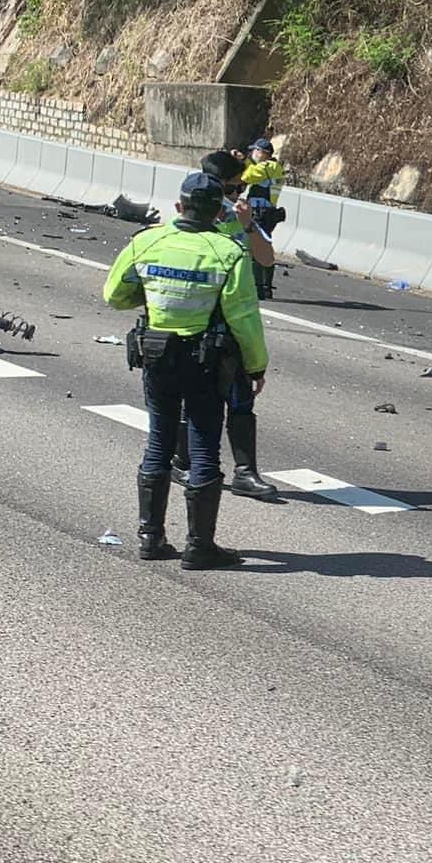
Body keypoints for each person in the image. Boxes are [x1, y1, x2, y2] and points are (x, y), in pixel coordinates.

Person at [102, 171, 268, 570]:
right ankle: (199, 546)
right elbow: (243, 315)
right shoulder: (227, 251)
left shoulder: (147, 241)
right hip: (206, 363)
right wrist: (256, 364)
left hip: (157, 357)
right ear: (218, 212)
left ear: (179, 207)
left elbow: (115, 295)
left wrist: (154, 295)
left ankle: (151, 537)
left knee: (159, 440)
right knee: (204, 447)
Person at [169, 150, 281, 501]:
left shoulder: (238, 216)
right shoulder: (188, 215)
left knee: (241, 397)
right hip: (195, 321)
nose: (235, 198)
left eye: (236, 191)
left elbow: (266, 257)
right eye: (231, 190)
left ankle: (246, 472)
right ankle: (182, 461)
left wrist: (247, 226)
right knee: (192, 397)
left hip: (232, 321)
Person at [240, 138, 286, 300]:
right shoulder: (268, 167)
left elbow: (248, 176)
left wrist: (242, 165)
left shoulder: (270, 167)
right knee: (262, 246)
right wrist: (243, 160)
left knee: (256, 248)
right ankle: (265, 287)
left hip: (262, 213)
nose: (252, 154)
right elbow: (252, 170)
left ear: (261, 153)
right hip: (262, 212)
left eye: (254, 151)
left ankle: (259, 288)